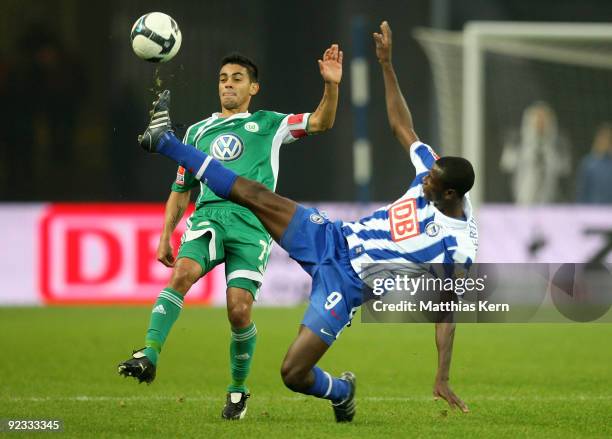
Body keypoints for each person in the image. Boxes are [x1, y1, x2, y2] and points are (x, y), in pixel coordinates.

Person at [134, 20, 475, 422]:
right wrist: (386, 64)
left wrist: (442, 376)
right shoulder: (429, 171)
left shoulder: (458, 247)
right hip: (332, 238)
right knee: (255, 194)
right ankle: (168, 142)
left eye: (433, 181)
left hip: (347, 285)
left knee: (292, 373)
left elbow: (446, 313)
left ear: (451, 194)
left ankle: (342, 391)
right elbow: (403, 126)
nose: (425, 179)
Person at [118, 47, 343, 420]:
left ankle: (238, 392)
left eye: (237, 79)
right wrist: (165, 235)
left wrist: (331, 86)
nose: (228, 85)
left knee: (239, 311)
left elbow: (321, 122)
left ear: (253, 87)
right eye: (223, 79)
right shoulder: (196, 131)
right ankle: (149, 353)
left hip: (254, 223)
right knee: (184, 274)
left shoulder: (271, 124)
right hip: (210, 216)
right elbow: (181, 189)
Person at [500, 101, 571, 204]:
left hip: (549, 199)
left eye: (544, 119)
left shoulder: (558, 143)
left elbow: (564, 169)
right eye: (537, 118)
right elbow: (507, 165)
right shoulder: (517, 140)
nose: (540, 122)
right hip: (522, 198)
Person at [576, 123, 612, 204]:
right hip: (593, 210)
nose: (604, 142)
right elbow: (582, 191)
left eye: (608, 139)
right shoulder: (588, 163)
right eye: (602, 138)